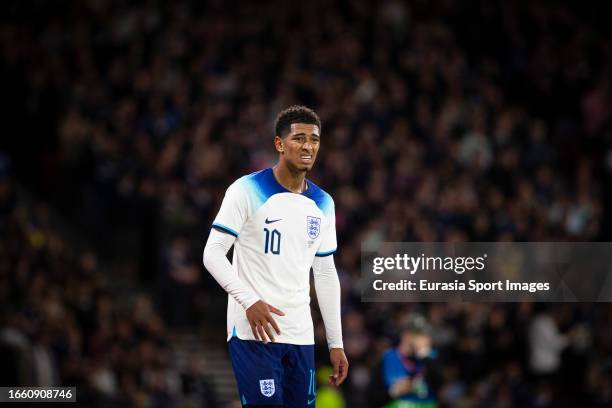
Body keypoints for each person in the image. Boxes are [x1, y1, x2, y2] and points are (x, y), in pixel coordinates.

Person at [203, 106, 348, 407]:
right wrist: (249, 301)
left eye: (314, 139)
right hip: (252, 333)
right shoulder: (246, 189)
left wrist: (336, 343)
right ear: (279, 144)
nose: (308, 146)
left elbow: (324, 273)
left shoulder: (323, 203)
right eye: (299, 138)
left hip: (301, 335)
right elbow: (213, 253)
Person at [381, 314, 437, 408]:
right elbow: (397, 389)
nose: (422, 339)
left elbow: (442, 382)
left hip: (428, 404)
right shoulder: (392, 356)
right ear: (406, 335)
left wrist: (425, 357)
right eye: (418, 334)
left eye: (423, 334)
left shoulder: (430, 355)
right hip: (403, 404)